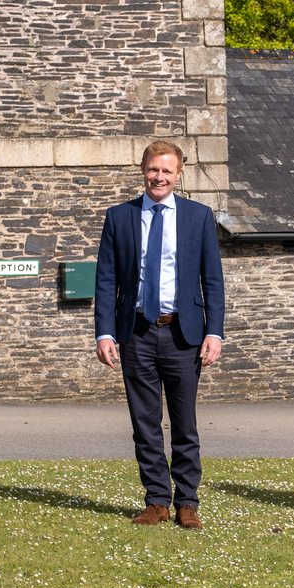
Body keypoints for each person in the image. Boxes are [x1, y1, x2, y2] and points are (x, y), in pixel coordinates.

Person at [94, 140, 225, 530]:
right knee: (145, 424)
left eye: (167, 170)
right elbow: (107, 280)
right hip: (135, 333)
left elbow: (212, 280)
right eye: (154, 169)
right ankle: (156, 501)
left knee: (184, 423)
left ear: (179, 174)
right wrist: (104, 332)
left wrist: (214, 332)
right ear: (142, 170)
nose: (160, 177)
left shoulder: (198, 217)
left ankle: (187, 502)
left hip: (184, 335)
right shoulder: (119, 217)